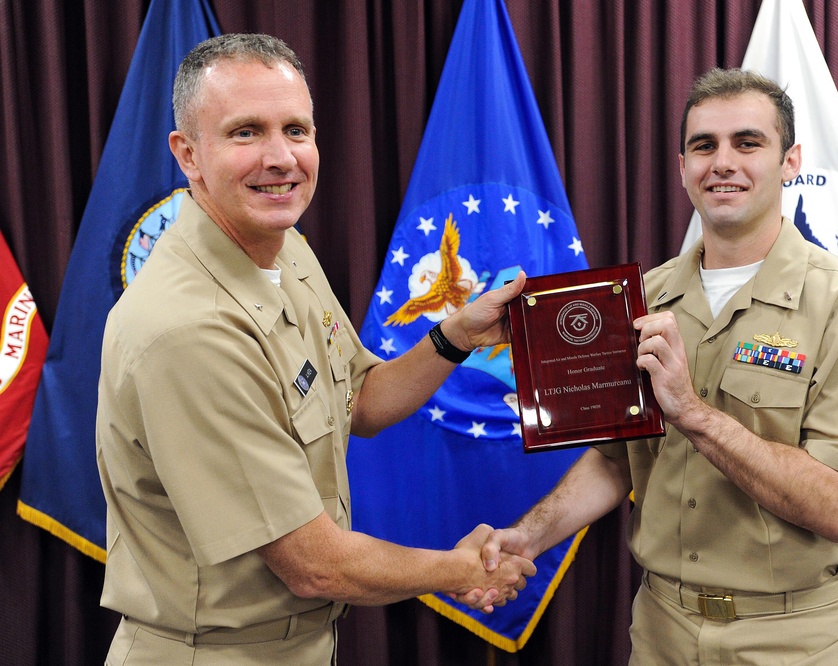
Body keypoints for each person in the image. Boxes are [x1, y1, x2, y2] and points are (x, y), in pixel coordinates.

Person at [96, 33, 534, 665]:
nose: (281, 158)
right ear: (188, 155)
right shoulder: (192, 330)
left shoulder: (282, 246)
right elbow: (314, 567)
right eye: (246, 132)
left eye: (296, 130)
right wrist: (457, 569)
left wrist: (456, 336)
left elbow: (360, 401)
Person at [476, 68, 838, 664]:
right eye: (704, 146)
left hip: (800, 639)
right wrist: (529, 534)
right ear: (682, 166)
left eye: (748, 143)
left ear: (790, 162)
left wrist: (695, 415)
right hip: (663, 634)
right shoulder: (635, 302)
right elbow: (613, 462)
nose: (722, 162)